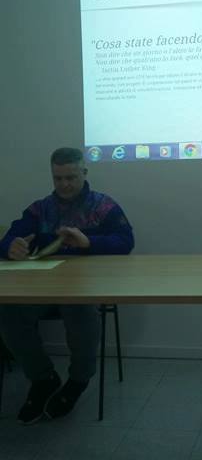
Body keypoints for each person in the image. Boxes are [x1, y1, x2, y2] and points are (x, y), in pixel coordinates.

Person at [0, 147, 134, 424]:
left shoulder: (104, 206)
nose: (64, 184)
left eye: (71, 177)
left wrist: (89, 242)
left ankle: (78, 380)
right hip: (42, 290)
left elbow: (126, 242)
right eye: (58, 178)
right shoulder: (40, 209)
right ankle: (43, 378)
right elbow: (10, 237)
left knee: (79, 309)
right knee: (9, 311)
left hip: (85, 288)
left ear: (84, 172)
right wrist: (10, 246)